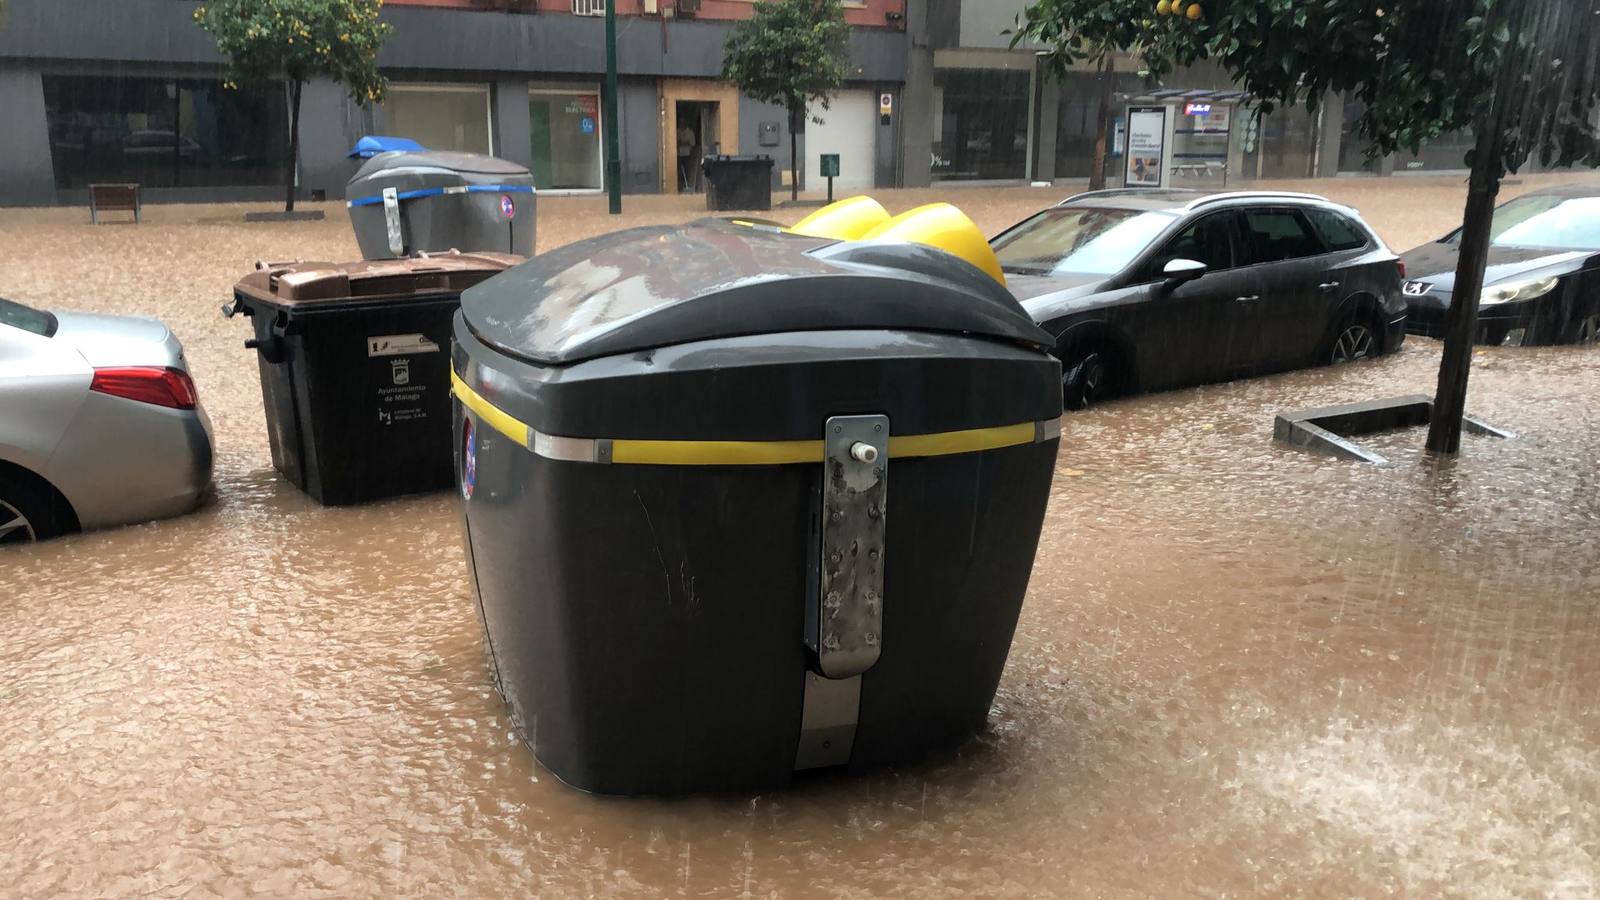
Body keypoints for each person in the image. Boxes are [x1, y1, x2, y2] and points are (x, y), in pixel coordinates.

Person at [677, 123, 696, 191]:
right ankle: (680, 186)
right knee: (679, 171)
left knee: (687, 171)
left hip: (687, 154)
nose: (681, 124)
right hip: (678, 154)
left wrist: (683, 143)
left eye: (683, 122)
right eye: (680, 122)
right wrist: (683, 142)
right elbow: (677, 142)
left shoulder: (690, 132)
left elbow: (692, 144)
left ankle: (687, 185)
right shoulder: (677, 131)